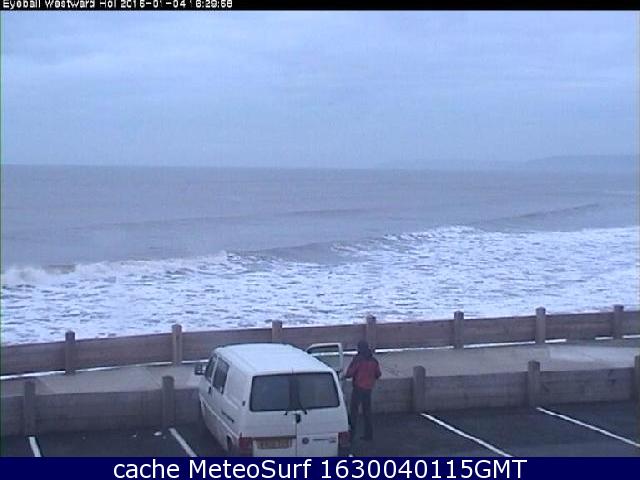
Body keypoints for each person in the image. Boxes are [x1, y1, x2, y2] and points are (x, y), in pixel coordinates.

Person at [343, 340, 381, 441]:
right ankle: (369, 435)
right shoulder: (373, 360)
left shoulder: (358, 359)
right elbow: (378, 374)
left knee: (354, 413)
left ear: (359, 348)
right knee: (367, 412)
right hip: (368, 389)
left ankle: (351, 435)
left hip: (358, 388)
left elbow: (350, 373)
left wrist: (344, 376)